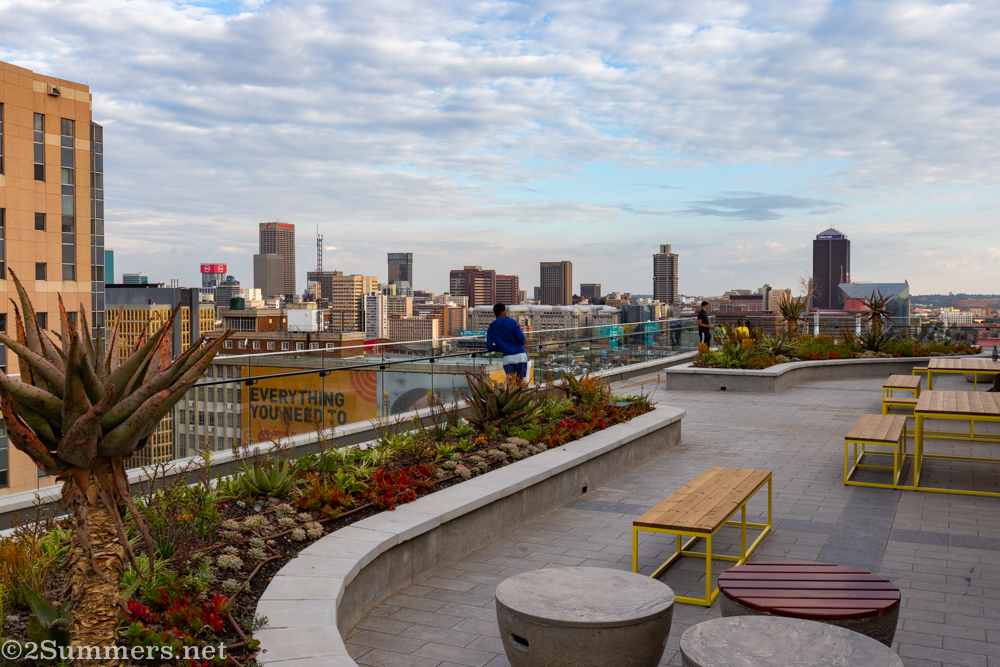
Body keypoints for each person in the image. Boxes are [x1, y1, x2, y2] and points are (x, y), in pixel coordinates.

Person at [486, 302, 529, 380]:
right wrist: (518, 345)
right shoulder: (512, 322)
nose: (506, 313)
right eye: (505, 311)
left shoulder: (490, 329)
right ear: (501, 312)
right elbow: (521, 338)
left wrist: (500, 348)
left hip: (507, 358)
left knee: (510, 383)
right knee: (520, 382)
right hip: (520, 355)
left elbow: (489, 346)